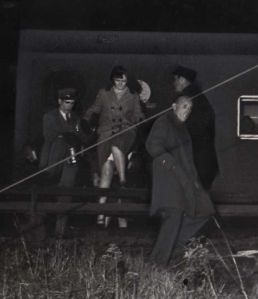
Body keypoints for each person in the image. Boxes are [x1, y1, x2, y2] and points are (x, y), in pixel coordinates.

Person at [145, 95, 215, 266]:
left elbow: (188, 160)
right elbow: (152, 145)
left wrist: (195, 180)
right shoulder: (164, 121)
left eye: (190, 108)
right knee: (173, 217)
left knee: (205, 210)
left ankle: (174, 248)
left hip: (187, 180)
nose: (187, 111)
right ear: (174, 106)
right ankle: (157, 263)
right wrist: (171, 164)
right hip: (170, 179)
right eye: (184, 106)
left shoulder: (183, 129)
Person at [84, 65, 144, 228]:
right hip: (106, 134)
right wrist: (86, 119)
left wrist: (139, 119)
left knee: (117, 144)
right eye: (118, 80)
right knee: (106, 170)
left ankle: (123, 179)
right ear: (113, 79)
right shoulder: (103, 94)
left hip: (125, 132)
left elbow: (138, 114)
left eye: (124, 81)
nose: (121, 84)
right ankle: (100, 215)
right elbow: (94, 109)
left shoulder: (133, 96)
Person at [39, 88, 83, 236]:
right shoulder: (50, 116)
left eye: (72, 103)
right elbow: (50, 136)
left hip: (70, 161)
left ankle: (60, 231)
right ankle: (42, 228)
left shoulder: (76, 118)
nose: (69, 105)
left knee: (66, 194)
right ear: (60, 101)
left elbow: (81, 136)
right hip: (52, 162)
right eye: (66, 102)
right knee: (47, 195)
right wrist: (69, 135)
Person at [172, 65, 218, 190]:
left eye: (175, 79)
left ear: (182, 80)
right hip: (205, 159)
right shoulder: (199, 96)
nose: (174, 83)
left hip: (195, 159)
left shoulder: (186, 98)